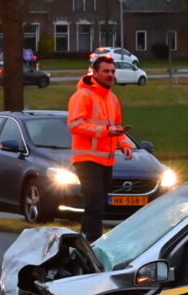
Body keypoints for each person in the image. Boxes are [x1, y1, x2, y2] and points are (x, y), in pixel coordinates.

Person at [67, 56, 133, 242]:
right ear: (94, 73)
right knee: (95, 204)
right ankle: (93, 242)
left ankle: (83, 242)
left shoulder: (113, 99)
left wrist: (124, 144)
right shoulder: (82, 95)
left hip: (106, 160)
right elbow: (74, 125)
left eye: (112, 71)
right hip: (87, 159)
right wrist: (104, 131)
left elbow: (117, 128)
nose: (110, 74)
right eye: (106, 71)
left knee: (97, 205)